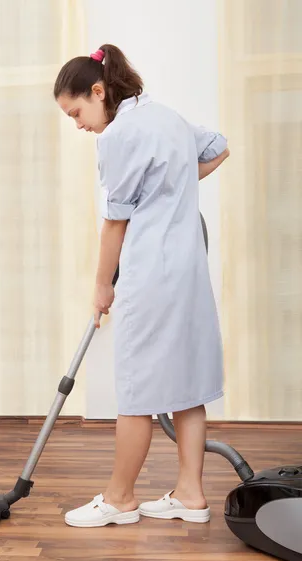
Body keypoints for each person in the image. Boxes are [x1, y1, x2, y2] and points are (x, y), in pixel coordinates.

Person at [54, 44, 230, 528]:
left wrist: (100, 286)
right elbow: (219, 146)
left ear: (97, 90)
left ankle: (120, 498)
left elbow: (115, 221)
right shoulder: (166, 117)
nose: (79, 124)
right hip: (190, 270)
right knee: (185, 384)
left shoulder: (118, 135)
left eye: (77, 112)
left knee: (135, 389)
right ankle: (191, 494)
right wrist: (174, 183)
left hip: (152, 272)